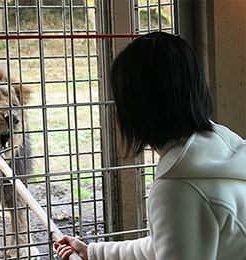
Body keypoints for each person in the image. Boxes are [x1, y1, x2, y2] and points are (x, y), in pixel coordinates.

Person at [54, 32, 246, 259]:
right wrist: (95, 252)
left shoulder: (179, 187)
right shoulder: (222, 147)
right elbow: (166, 244)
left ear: (138, 106)